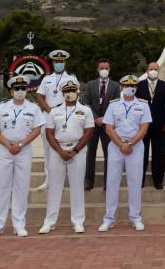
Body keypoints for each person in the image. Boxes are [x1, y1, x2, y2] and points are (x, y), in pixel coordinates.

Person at [0, 75, 45, 238]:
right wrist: (8, 145)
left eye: (23, 88)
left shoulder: (33, 108)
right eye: (17, 89)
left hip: (23, 150)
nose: (20, 91)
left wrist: (20, 145)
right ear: (11, 91)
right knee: (1, 187)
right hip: (5, 150)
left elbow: (37, 129)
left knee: (21, 187)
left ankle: (19, 224)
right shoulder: (2, 108)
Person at [40, 78, 95, 234]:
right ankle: (49, 222)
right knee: (54, 187)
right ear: (62, 93)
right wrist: (60, 151)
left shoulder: (86, 110)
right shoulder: (54, 111)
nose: (69, 93)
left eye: (72, 90)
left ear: (77, 92)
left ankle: (78, 221)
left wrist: (75, 150)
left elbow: (89, 132)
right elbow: (49, 133)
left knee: (77, 187)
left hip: (77, 150)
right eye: (66, 91)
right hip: (57, 150)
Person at [99, 75, 152, 232]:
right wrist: (121, 144)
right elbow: (109, 128)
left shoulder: (143, 105)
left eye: (133, 85)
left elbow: (144, 128)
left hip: (135, 147)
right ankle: (109, 218)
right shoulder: (113, 105)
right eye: (127, 85)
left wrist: (130, 144)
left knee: (135, 182)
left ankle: (135, 217)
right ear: (121, 87)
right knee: (112, 182)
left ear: (137, 87)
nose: (130, 88)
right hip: (116, 147)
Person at [36, 49, 75, 191]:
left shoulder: (71, 79)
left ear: (65, 62)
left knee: (65, 148)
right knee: (48, 150)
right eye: (57, 61)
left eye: (61, 61)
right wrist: (49, 110)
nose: (59, 63)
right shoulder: (46, 79)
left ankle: (62, 180)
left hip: (65, 118)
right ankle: (48, 180)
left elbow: (75, 97)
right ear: (53, 62)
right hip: (48, 118)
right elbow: (39, 97)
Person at [136, 62, 165, 189]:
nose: (153, 71)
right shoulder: (139, 85)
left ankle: (158, 180)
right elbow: (135, 105)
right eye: (151, 69)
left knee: (159, 153)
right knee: (142, 153)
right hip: (143, 126)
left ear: (159, 71)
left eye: (155, 69)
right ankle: (140, 180)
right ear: (147, 70)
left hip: (160, 125)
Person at [83, 59, 120, 191]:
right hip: (92, 125)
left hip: (107, 126)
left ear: (109, 69)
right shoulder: (90, 84)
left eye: (106, 68)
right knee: (90, 153)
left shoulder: (115, 86)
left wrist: (105, 118)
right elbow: (85, 103)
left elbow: (116, 104)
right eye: (101, 68)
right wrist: (95, 118)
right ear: (97, 70)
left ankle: (107, 182)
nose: (104, 70)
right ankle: (88, 181)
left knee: (109, 154)